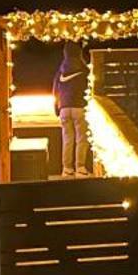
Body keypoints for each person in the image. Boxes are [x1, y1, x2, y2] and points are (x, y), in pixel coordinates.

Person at [53, 43, 90, 177]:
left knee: (67, 138)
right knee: (81, 138)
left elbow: (55, 92)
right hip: (79, 107)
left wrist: (57, 109)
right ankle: (80, 167)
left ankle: (66, 168)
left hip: (64, 108)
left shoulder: (60, 71)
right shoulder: (84, 70)